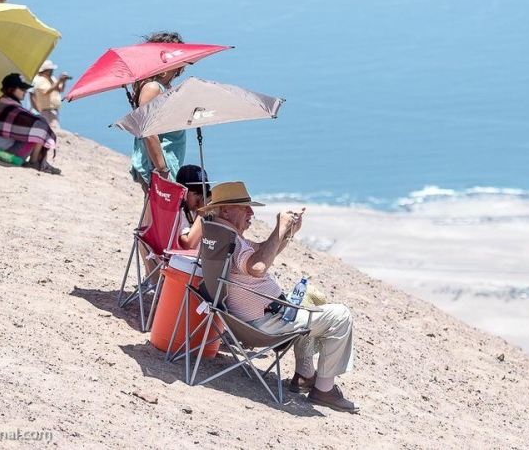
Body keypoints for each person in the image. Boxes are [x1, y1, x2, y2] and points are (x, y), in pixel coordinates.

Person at [198, 182, 359, 413]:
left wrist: (288, 233)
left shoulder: (218, 237)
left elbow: (263, 251)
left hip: (249, 320)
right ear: (225, 210)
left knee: (309, 298)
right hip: (266, 325)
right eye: (245, 208)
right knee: (341, 316)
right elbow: (259, 266)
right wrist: (279, 227)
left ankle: (305, 375)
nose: (251, 213)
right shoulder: (232, 243)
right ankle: (324, 390)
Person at [129, 31, 187, 192]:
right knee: (159, 213)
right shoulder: (153, 88)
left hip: (168, 161)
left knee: (160, 214)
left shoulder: (165, 87)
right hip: (158, 165)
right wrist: (162, 169)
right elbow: (148, 131)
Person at [0, 73, 60, 175]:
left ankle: (37, 161)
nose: (25, 92)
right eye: (22, 89)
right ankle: (35, 162)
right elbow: (37, 125)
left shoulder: (2, 102)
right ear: (11, 89)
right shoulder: (11, 107)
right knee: (41, 127)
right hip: (9, 152)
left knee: (37, 124)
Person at [175, 165, 212, 249]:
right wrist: (202, 212)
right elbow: (188, 244)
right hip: (182, 259)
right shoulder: (179, 213)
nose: (201, 198)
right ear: (183, 192)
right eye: (197, 193)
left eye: (204, 193)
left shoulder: (193, 210)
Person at [30, 59, 70, 129]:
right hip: (46, 109)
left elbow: (60, 89)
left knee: (53, 127)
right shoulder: (39, 80)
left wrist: (63, 82)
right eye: (50, 70)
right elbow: (46, 91)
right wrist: (59, 80)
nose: (52, 71)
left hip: (54, 109)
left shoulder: (52, 79)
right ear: (45, 70)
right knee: (52, 128)